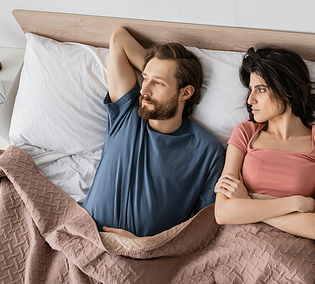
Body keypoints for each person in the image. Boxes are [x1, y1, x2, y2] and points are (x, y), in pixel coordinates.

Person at [82, 27, 225, 237]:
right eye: (145, 78)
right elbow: (119, 39)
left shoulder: (207, 151)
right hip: (83, 238)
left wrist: (143, 245)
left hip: (146, 258)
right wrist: (158, 72)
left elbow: (204, 226)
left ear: (186, 92)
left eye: (158, 83)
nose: (144, 90)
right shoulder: (126, 114)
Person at [214, 47, 315, 242]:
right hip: (239, 240)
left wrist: (247, 203)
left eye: (261, 89)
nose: (250, 99)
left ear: (287, 90)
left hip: (294, 248)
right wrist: (294, 203)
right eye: (251, 89)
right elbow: (223, 213)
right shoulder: (245, 133)